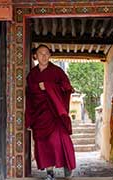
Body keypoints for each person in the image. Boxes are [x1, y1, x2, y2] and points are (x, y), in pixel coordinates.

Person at [25, 44, 76, 180]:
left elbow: (67, 86)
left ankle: (67, 164)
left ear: (50, 56)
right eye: (41, 53)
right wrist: (29, 117)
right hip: (39, 115)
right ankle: (49, 172)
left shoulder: (57, 71)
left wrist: (48, 86)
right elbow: (29, 93)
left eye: (47, 53)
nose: (44, 56)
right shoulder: (32, 74)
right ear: (35, 56)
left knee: (61, 140)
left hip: (55, 114)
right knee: (43, 144)